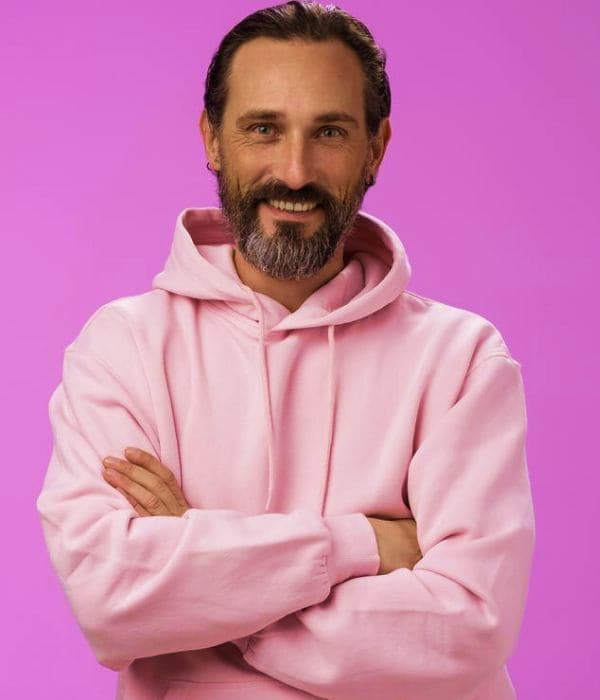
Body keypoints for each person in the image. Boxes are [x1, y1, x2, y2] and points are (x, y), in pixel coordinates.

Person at [36, 2, 535, 699]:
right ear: (212, 139)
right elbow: (110, 598)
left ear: (375, 148)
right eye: (263, 128)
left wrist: (205, 587)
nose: (295, 172)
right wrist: (363, 544)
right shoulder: (123, 348)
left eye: (329, 131)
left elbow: (468, 626)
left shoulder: (461, 359)